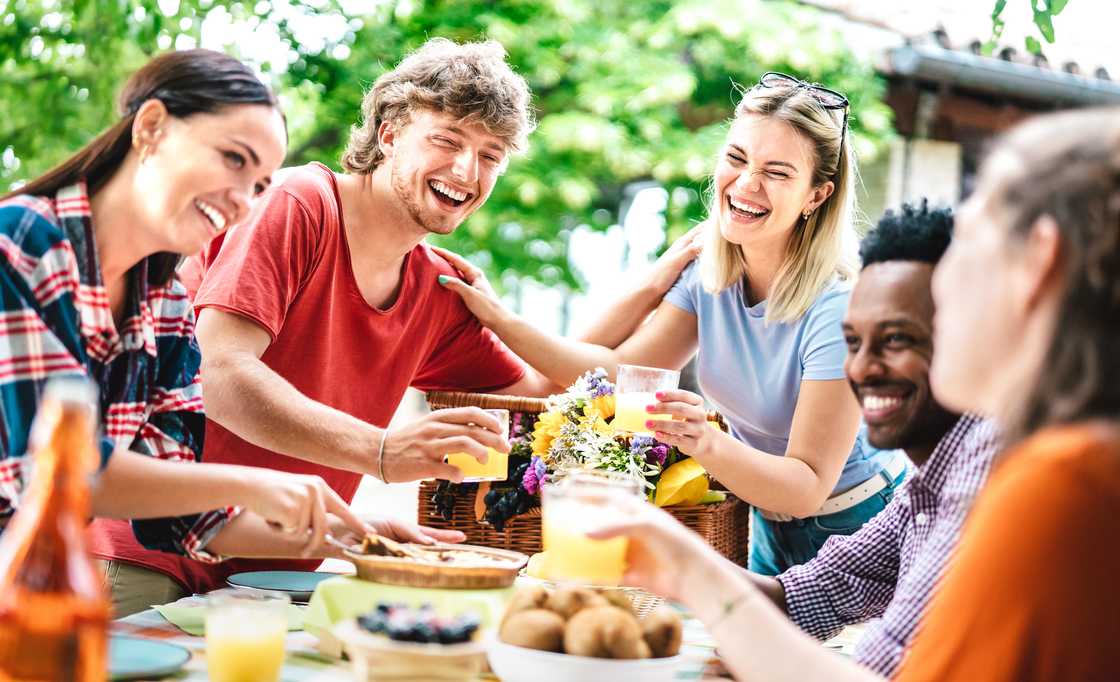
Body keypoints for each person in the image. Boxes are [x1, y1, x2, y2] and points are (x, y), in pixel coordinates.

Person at [88, 38, 703, 603]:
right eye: (447, 140)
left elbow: (549, 385)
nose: (467, 171)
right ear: (388, 134)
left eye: (490, 155)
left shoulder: (436, 287)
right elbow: (218, 376)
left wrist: (653, 282)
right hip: (146, 558)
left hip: (279, 574)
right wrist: (380, 451)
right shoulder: (299, 204)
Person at [591, 108, 1120, 681]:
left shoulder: (1059, 480)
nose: (942, 283)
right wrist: (676, 558)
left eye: (969, 246)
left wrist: (691, 574)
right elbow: (819, 601)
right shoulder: (970, 463)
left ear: (1039, 261)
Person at [438, 71, 907, 574]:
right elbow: (613, 372)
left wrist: (702, 439)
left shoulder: (836, 309)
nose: (746, 184)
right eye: (736, 158)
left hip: (859, 524)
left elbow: (806, 486)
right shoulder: (713, 277)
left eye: (777, 172)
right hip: (767, 522)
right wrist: (498, 317)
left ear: (817, 195)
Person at [0, 49, 414, 616]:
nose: (244, 202)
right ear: (150, 127)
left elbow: (185, 518)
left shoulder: (166, 304)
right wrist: (251, 483)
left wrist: (355, 535)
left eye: (260, 183)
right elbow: (55, 472)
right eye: (232, 159)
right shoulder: (23, 244)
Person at [761, 200, 998, 676]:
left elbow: (884, 667)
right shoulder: (928, 478)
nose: (862, 369)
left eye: (895, 340)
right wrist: (667, 557)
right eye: (853, 342)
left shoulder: (985, 477)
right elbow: (812, 591)